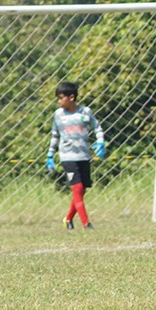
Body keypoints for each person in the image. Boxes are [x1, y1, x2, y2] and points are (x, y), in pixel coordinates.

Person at [46, 80, 106, 230]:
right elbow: (55, 135)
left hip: (84, 156)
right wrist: (50, 155)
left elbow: (97, 127)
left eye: (61, 98)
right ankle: (86, 224)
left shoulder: (85, 112)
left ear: (71, 97)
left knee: (82, 189)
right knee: (77, 188)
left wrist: (100, 142)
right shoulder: (58, 115)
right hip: (68, 157)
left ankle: (68, 218)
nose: (59, 102)